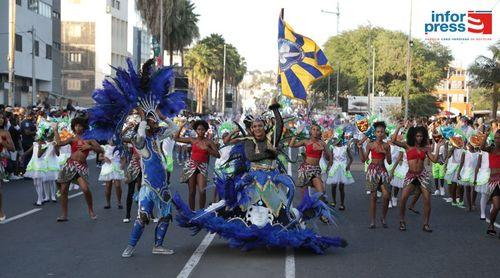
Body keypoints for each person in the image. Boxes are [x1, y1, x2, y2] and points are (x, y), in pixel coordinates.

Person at [173, 97, 347, 253]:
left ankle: (296, 235)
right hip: (253, 180)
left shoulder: (272, 139)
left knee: (281, 211)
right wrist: (270, 153)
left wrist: (275, 108)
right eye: (254, 126)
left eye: (260, 126)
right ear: (252, 128)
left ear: (264, 127)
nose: (257, 128)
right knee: (234, 207)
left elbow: (279, 124)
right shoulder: (250, 142)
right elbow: (251, 157)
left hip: (272, 180)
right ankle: (240, 232)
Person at [392, 123, 442, 232]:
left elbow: (434, 160)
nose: (419, 138)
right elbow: (394, 141)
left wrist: (438, 147)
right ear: (414, 136)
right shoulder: (407, 145)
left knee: (427, 200)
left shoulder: (426, 148)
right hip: (410, 174)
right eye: (417, 136)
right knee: (403, 199)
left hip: (423, 175)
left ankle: (426, 224)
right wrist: (398, 128)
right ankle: (402, 221)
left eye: (421, 136)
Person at [54, 117, 103, 221]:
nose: (78, 127)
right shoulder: (72, 139)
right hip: (70, 165)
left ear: (84, 127)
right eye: (76, 126)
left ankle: (91, 210)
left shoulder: (90, 139)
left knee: (85, 189)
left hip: (82, 166)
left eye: (80, 125)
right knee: (63, 190)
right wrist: (55, 130)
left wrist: (90, 147)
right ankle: (64, 215)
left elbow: (101, 149)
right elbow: (59, 143)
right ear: (73, 127)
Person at [175, 120, 220, 210]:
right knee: (192, 192)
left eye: (203, 129)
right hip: (191, 166)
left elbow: (218, 155)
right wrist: (181, 127)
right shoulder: (192, 139)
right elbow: (176, 138)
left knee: (202, 191)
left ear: (206, 130)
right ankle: (192, 213)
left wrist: (208, 149)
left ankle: (201, 212)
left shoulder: (209, 142)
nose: (200, 131)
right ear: (196, 130)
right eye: (198, 129)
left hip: (202, 167)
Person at [357, 121, 392, 229]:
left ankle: (383, 217)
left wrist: (387, 153)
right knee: (373, 197)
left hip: (383, 170)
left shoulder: (387, 145)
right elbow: (363, 160)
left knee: (386, 195)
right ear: (375, 133)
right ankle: (372, 221)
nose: (380, 134)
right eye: (378, 132)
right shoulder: (370, 145)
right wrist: (359, 148)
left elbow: (390, 162)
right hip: (372, 170)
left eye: (382, 132)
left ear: (384, 133)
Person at [289, 124, 331, 201]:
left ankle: (318, 210)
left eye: (317, 130)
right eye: (313, 129)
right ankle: (306, 211)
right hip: (305, 169)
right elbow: (292, 145)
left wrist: (324, 150)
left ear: (320, 132)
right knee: (304, 196)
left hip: (316, 170)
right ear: (310, 131)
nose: (315, 131)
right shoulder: (306, 141)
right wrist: (296, 134)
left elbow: (328, 158)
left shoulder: (322, 143)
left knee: (321, 193)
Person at [326, 132, 354, 210]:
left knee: (341, 187)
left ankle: (342, 204)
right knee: (333, 186)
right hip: (334, 168)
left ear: (340, 139)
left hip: (343, 168)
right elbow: (331, 159)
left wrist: (348, 166)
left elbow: (351, 158)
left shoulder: (345, 147)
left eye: (336, 140)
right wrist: (328, 167)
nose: (335, 142)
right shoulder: (332, 147)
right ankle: (334, 201)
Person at [483, 130, 500, 237]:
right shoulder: (491, 149)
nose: (497, 140)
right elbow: (481, 147)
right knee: (497, 206)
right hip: (494, 181)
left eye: (499, 138)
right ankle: (491, 224)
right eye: (496, 138)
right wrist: (485, 135)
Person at [98, 140, 124, 209]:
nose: (111, 140)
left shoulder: (119, 147)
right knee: (108, 186)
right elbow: (99, 158)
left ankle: (119, 202)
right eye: (110, 138)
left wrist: (123, 164)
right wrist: (104, 158)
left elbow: (123, 158)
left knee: (118, 185)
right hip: (108, 167)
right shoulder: (104, 147)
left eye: (113, 138)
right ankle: (108, 203)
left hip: (116, 166)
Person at [0, 115, 15, 221]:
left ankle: (0, 211)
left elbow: (13, 148)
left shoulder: (5, 133)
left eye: (2, 117)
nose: (1, 119)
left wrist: (2, 142)